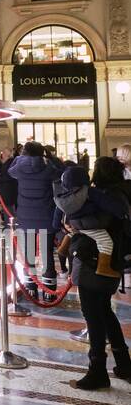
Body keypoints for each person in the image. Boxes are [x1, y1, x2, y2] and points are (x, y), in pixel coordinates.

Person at [53, 159, 131, 389]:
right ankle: (124, 363)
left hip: (93, 264)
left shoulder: (104, 197)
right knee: (105, 312)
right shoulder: (122, 193)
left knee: (93, 317)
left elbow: (99, 224)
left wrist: (74, 228)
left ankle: (97, 371)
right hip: (113, 262)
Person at [7, 141, 63, 298]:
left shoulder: (18, 167)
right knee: (47, 254)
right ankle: (49, 291)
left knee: (29, 253)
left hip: (26, 216)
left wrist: (18, 158)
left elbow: (9, 171)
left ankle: (30, 287)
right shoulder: (47, 167)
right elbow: (60, 172)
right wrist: (50, 157)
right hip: (46, 215)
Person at [0, 148, 17, 226]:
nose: (2, 154)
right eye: (2, 152)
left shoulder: (11, 163)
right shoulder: (1, 163)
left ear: (8, 155)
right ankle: (7, 222)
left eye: (4, 152)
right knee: (5, 208)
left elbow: (9, 177)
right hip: (2, 189)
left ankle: (10, 224)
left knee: (9, 208)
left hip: (9, 190)